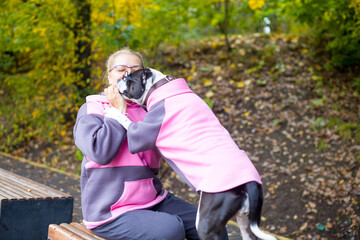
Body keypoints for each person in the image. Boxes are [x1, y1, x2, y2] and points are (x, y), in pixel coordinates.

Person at [74, 48, 229, 240]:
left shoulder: (150, 109)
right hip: (111, 210)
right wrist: (118, 112)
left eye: (135, 69)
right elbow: (99, 152)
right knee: (170, 229)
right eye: (121, 69)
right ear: (109, 76)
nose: (128, 74)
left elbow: (173, 146)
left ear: (144, 75)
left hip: (153, 199)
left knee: (214, 226)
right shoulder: (92, 108)